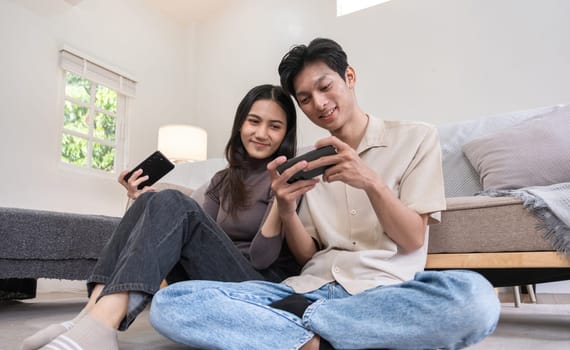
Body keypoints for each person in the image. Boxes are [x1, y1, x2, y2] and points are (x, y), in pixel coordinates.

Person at [149, 38, 501, 349]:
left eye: (325, 87)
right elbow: (307, 255)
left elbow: (411, 240)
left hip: (381, 293)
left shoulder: (415, 138)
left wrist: (370, 181)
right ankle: (327, 338)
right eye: (304, 99)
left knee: (476, 299)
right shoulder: (305, 162)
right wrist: (285, 208)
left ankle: (298, 332)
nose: (318, 103)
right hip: (303, 288)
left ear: (349, 77)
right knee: (171, 303)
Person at [21, 84, 302, 350]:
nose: (261, 133)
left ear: (285, 134)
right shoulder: (221, 180)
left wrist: (280, 198)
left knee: (170, 201)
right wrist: (148, 205)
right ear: (240, 124)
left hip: (258, 282)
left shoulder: (288, 179)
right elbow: (197, 233)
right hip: (215, 273)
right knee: (152, 199)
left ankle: (100, 326)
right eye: (254, 121)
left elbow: (262, 258)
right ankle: (87, 319)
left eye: (274, 126)